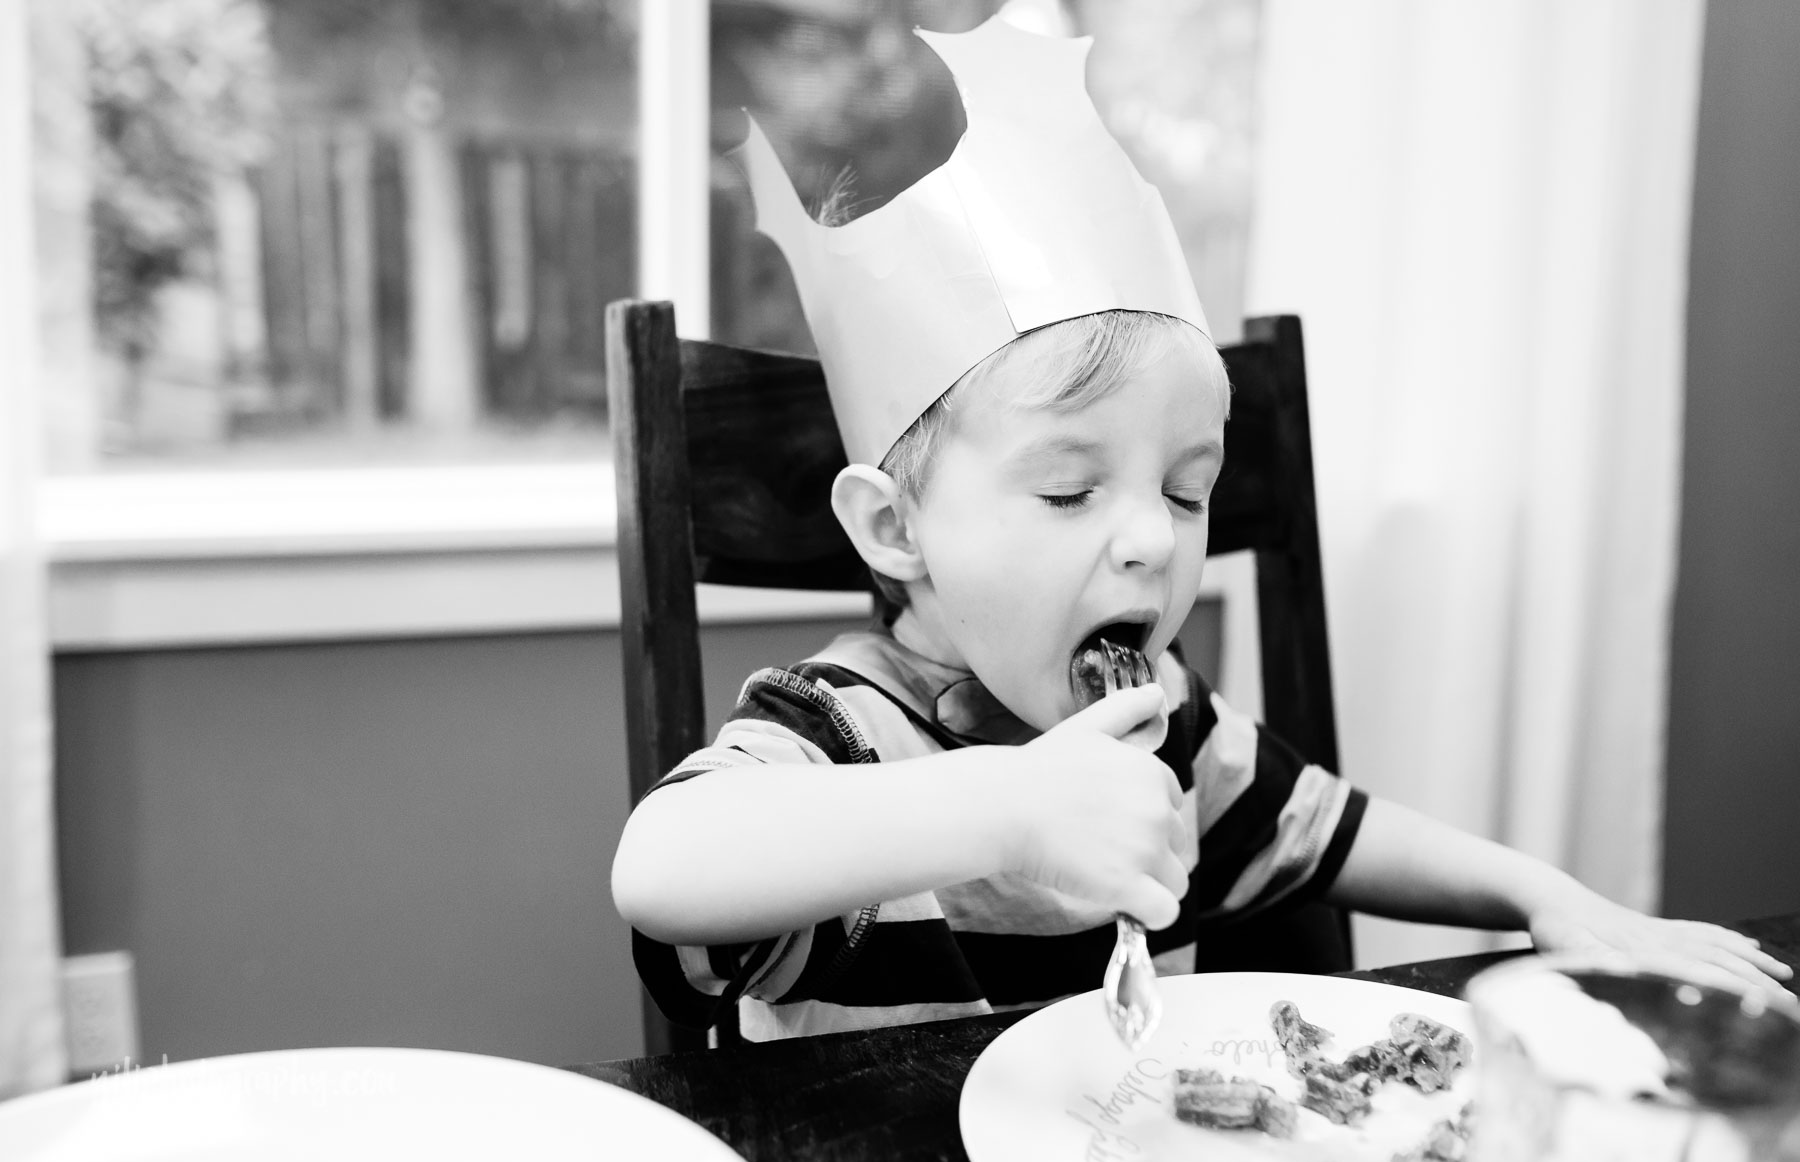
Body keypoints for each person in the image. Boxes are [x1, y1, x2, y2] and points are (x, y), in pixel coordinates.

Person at [610, 16, 1792, 1042]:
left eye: (1184, 490)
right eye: (1071, 492)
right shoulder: (838, 735)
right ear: (895, 527)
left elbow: (1327, 828)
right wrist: (1009, 805)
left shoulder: (1159, 715)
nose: (1150, 542)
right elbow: (661, 865)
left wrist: (1548, 893)